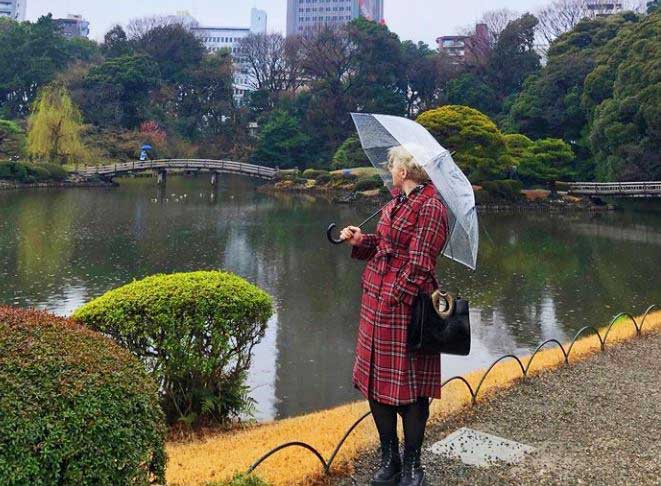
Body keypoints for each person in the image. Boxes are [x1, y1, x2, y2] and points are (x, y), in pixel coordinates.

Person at [340, 146, 448, 486]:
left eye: (393, 164)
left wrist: (392, 297)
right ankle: (390, 458)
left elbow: (419, 264)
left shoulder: (431, 207)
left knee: (412, 389)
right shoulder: (397, 201)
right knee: (375, 381)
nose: (390, 169)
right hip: (376, 303)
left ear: (405, 169)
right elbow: (385, 244)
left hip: (407, 308)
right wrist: (361, 240)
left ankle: (414, 464)